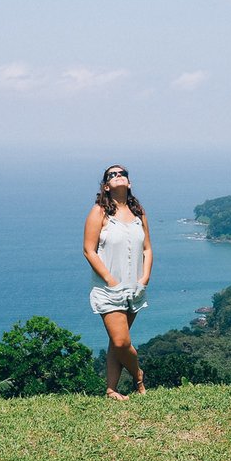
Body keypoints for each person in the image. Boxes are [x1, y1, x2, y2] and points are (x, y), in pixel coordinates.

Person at [83, 164, 152, 400]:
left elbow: (148, 249)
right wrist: (110, 280)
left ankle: (111, 389)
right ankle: (139, 376)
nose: (118, 176)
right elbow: (88, 250)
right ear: (106, 186)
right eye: (112, 175)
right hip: (109, 289)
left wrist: (145, 277)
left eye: (122, 174)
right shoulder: (99, 212)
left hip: (135, 287)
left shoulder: (138, 212)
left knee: (116, 341)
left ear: (129, 182)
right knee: (122, 341)